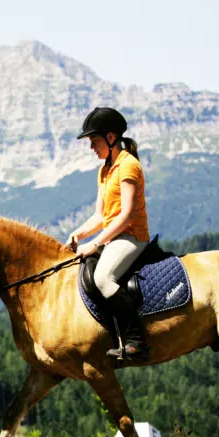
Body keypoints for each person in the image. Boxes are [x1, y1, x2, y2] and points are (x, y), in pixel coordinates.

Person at [64, 106, 151, 361]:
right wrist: (77, 235)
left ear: (111, 138)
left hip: (132, 236)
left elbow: (126, 216)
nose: (92, 147)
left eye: (95, 141)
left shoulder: (128, 166)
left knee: (103, 277)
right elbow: (101, 216)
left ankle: (137, 341)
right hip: (114, 236)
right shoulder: (104, 170)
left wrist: (95, 243)